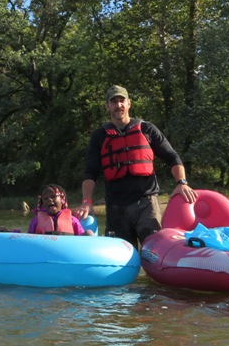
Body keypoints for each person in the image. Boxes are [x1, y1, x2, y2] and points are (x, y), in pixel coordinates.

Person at [74, 85, 196, 249]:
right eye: (114, 101)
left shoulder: (147, 129)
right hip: (116, 206)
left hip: (147, 203)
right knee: (119, 256)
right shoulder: (99, 136)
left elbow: (172, 156)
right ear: (107, 106)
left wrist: (182, 182)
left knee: (154, 252)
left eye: (122, 100)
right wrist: (87, 201)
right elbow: (90, 172)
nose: (118, 105)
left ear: (129, 103)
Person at [28, 184, 94, 236]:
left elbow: (81, 239)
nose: (49, 199)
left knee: (89, 233)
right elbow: (29, 238)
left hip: (67, 250)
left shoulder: (73, 221)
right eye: (45, 198)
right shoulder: (36, 220)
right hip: (43, 250)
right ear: (43, 204)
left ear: (62, 200)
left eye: (53, 196)